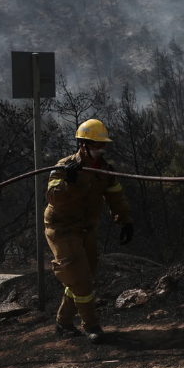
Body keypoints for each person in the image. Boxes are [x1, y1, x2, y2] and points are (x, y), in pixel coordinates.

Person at [44, 119, 133, 343]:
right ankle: (91, 326)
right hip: (61, 227)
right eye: (95, 145)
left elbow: (115, 196)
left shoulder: (105, 170)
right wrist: (70, 181)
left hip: (87, 229)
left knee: (81, 278)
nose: (101, 149)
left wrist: (125, 221)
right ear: (82, 145)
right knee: (80, 277)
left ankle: (63, 323)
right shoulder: (64, 166)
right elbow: (52, 197)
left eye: (103, 145)